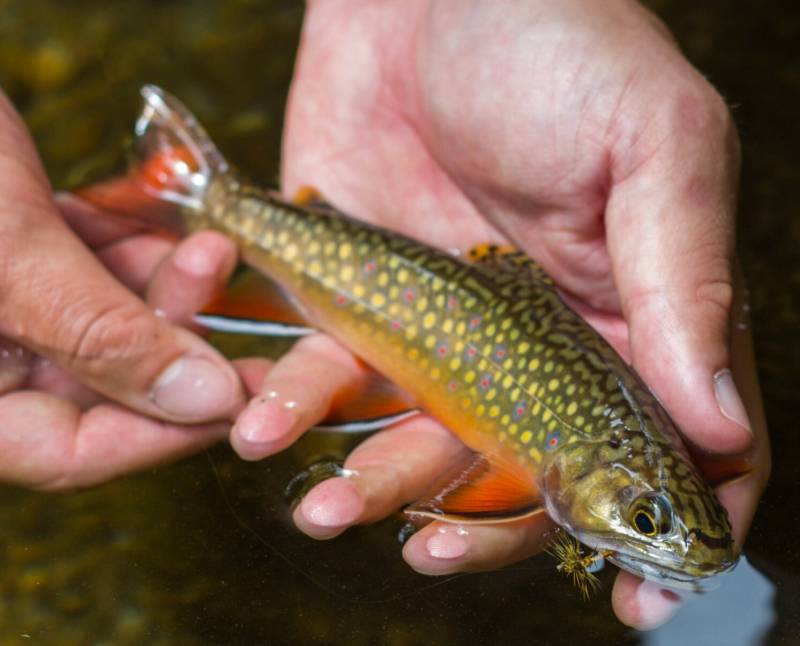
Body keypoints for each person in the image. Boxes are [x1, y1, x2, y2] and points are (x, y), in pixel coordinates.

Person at [0, 0, 769, 630]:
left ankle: (202, 200)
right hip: (401, 292)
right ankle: (198, 195)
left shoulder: (584, 463)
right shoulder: (562, 468)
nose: (658, 542)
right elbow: (481, 498)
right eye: (645, 518)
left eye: (649, 524)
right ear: (591, 479)